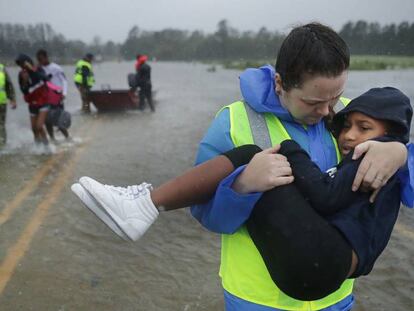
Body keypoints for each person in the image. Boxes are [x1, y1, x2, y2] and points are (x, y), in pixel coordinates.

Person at [72, 23, 411, 311]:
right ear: (280, 84)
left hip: (334, 298)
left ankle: (145, 203)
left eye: (334, 97)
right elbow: (206, 216)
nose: (327, 112)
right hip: (256, 299)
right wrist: (241, 188)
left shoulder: (356, 119)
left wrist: (400, 153)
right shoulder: (233, 122)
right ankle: (146, 205)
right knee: (248, 156)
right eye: (312, 101)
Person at [16, 54, 63, 148]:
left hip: (44, 102)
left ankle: (47, 148)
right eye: (20, 65)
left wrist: (33, 71)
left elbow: (46, 78)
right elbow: (24, 91)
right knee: (34, 128)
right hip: (32, 103)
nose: (22, 67)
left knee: (39, 126)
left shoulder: (38, 69)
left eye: (23, 64)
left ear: (27, 62)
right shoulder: (21, 74)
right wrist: (25, 81)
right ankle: (38, 148)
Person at [36, 49, 71, 142]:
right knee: (47, 120)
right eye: (38, 59)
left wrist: (64, 93)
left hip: (57, 96)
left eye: (41, 59)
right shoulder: (39, 69)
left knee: (60, 118)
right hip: (46, 98)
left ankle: (68, 138)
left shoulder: (56, 68)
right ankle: (52, 139)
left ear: (46, 57)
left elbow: (64, 81)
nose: (40, 61)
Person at [0, 62, 17, 148]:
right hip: (2, 101)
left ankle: (2, 146)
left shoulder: (2, 68)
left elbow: (8, 84)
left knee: (1, 125)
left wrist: (13, 99)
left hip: (1, 102)